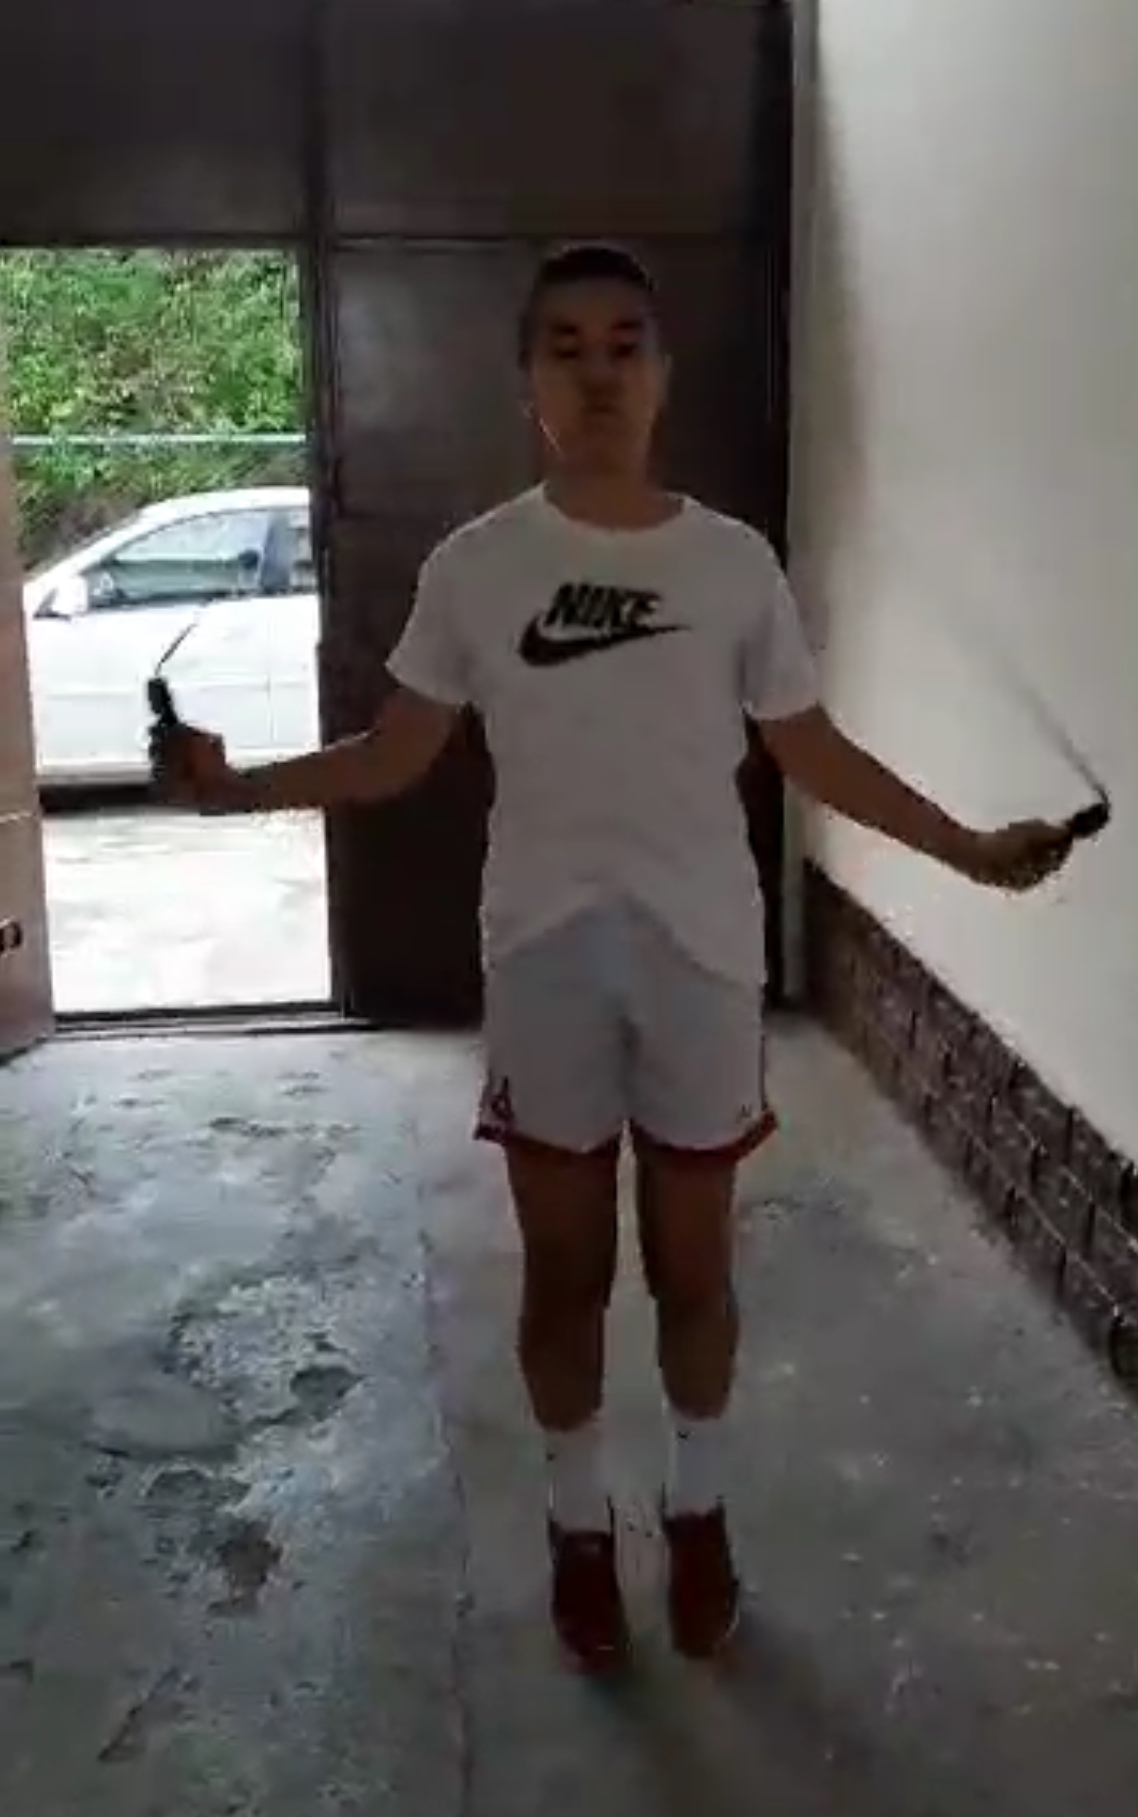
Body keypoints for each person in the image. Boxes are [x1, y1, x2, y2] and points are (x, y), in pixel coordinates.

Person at [150, 243, 1072, 1672]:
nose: (596, 373)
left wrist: (965, 848)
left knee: (694, 1270)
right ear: (526, 380)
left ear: (662, 373)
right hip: (542, 958)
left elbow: (809, 748)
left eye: (623, 344)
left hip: (701, 956)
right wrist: (234, 788)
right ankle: (577, 1526)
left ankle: (696, 1512)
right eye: (565, 347)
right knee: (564, 1273)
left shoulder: (731, 563)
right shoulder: (478, 565)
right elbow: (395, 754)